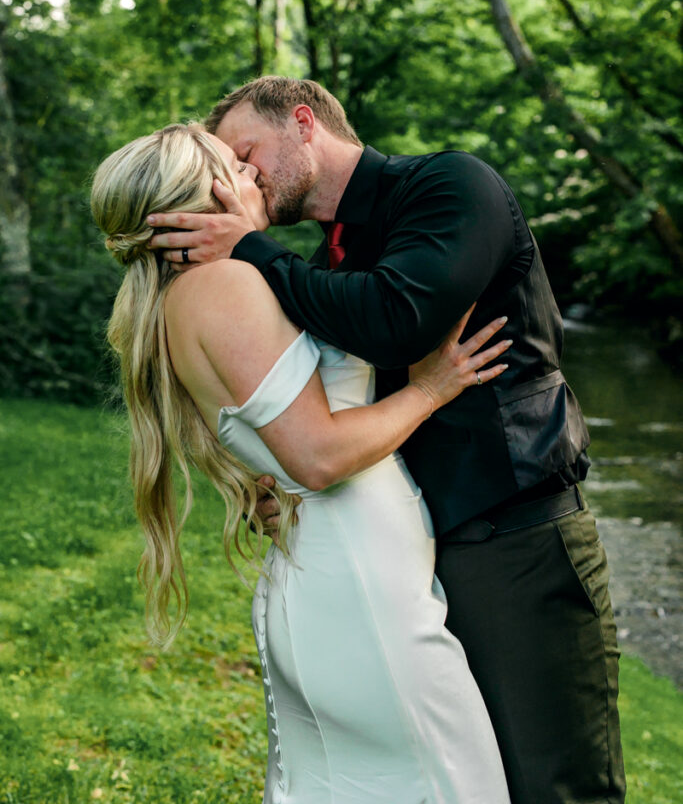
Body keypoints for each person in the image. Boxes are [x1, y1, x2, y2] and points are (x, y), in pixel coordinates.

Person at [147, 76, 626, 804]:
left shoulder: (446, 186)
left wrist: (251, 248)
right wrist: (278, 479)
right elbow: (303, 398)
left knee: (554, 786)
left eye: (246, 154)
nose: (237, 180)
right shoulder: (316, 263)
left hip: (512, 540)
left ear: (302, 123)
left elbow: (398, 320)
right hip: (407, 555)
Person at [91, 122, 513, 804]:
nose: (254, 177)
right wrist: (432, 388)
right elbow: (317, 457)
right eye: (237, 165)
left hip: (344, 572)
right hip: (357, 585)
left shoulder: (205, 290)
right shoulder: (224, 286)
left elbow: (284, 440)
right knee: (449, 784)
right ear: (203, 192)